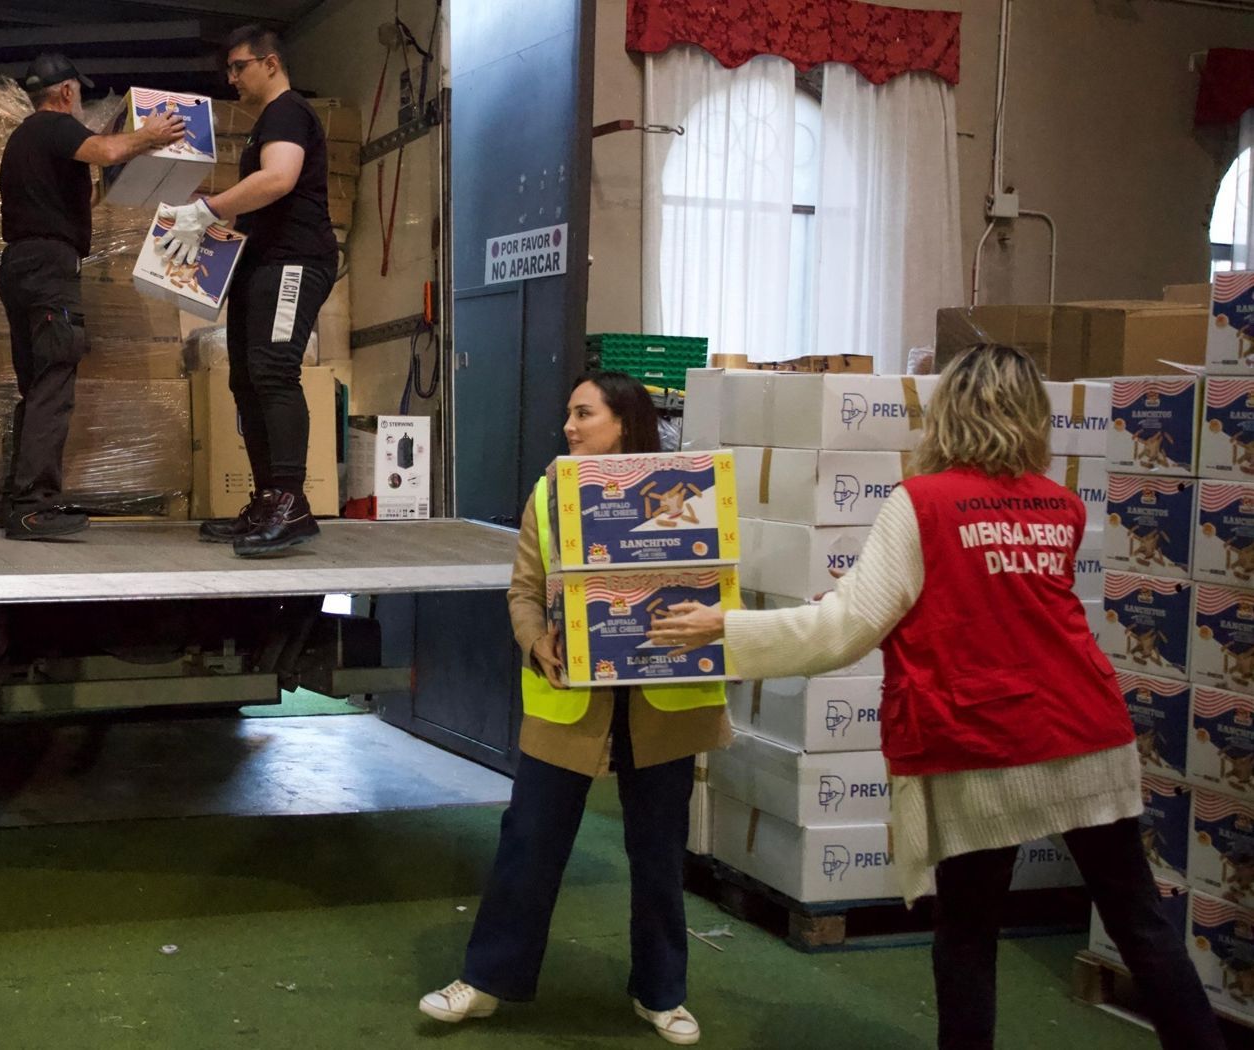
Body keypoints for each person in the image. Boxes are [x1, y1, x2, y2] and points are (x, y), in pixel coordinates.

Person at [648, 345, 1227, 1050]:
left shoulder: (920, 503)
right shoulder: (1061, 505)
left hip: (978, 738)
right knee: (1139, 920)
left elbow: (843, 629)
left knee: (966, 931)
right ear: (1030, 417)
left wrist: (725, 629)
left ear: (948, 413)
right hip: (1084, 729)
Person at [417, 371, 730, 1046]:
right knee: (527, 843)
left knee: (657, 855)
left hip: (661, 701)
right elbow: (522, 592)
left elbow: (715, 580)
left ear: (623, 422)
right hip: (568, 703)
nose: (568, 425)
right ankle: (486, 980)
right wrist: (536, 642)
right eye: (568, 413)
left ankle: (661, 992)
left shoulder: (685, 494)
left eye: (583, 413)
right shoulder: (548, 496)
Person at [159, 25, 338, 557]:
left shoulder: (287, 112)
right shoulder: (269, 122)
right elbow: (260, 191)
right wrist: (202, 205)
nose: (231, 78)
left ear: (271, 63)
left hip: (294, 262)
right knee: (246, 379)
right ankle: (267, 500)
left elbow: (279, 179)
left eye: (239, 67)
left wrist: (209, 209)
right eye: (229, 70)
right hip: (262, 263)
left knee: (274, 372)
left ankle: (291, 503)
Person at [0, 51, 185, 540]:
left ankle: (18, 502)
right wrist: (152, 136)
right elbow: (105, 151)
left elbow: (81, 191)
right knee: (54, 382)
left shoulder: (26, 142)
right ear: (64, 93)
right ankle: (35, 505)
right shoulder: (53, 127)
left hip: (22, 268)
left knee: (37, 385)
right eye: (79, 92)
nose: (79, 101)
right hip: (48, 270)